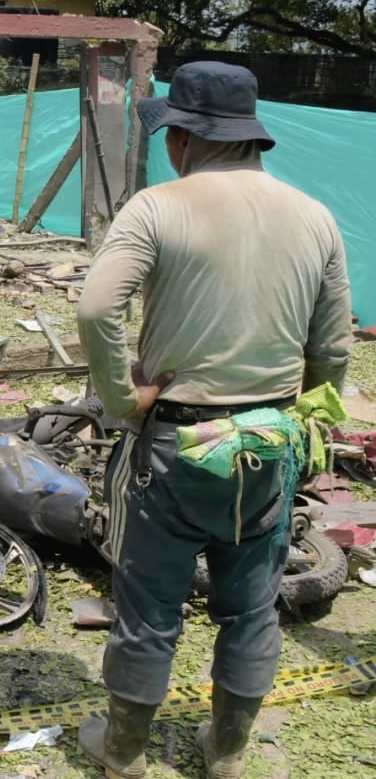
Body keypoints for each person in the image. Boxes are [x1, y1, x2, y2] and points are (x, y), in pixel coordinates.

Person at [76, 61, 351, 779]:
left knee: (148, 603)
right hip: (266, 445)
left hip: (176, 443)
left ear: (183, 137)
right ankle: (225, 751)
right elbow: (333, 349)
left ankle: (124, 751)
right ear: (251, 136)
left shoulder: (157, 206)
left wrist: (119, 396)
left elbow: (97, 307)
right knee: (252, 604)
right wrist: (300, 422)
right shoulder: (315, 217)